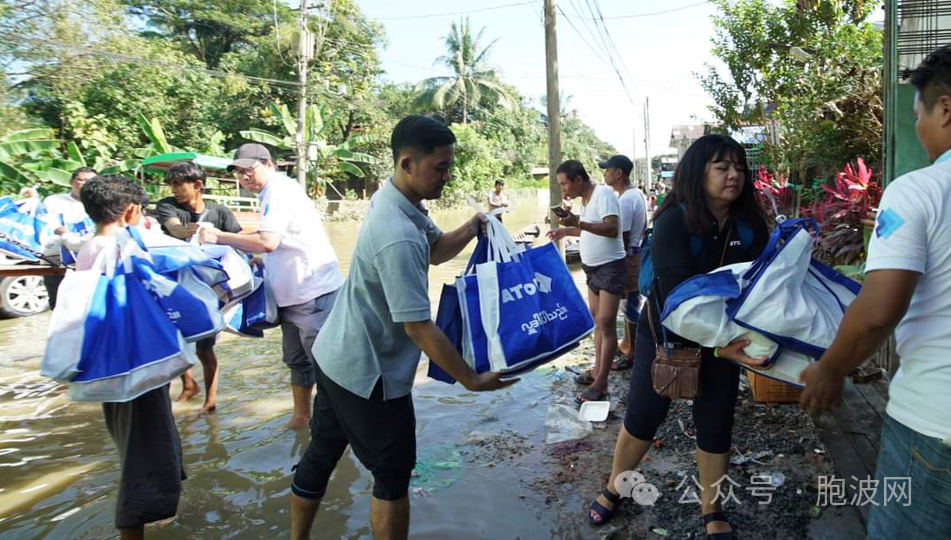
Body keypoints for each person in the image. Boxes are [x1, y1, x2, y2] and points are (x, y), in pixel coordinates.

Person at [288, 115, 517, 540]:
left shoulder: (395, 200)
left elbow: (435, 251)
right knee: (393, 477)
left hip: (334, 354)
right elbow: (418, 328)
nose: (446, 177)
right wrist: (471, 379)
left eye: (449, 166)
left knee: (320, 455)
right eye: (440, 168)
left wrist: (472, 226)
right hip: (367, 372)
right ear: (408, 163)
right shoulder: (397, 233)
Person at [799, 45, 951, 539]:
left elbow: (879, 308)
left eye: (917, 116)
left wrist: (829, 369)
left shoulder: (919, 189)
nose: (918, 130)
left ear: (945, 109)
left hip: (935, 426)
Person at [584, 135, 769, 539]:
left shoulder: (750, 224)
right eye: (722, 167)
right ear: (698, 173)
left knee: (716, 422)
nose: (734, 175)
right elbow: (671, 295)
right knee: (645, 415)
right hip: (666, 332)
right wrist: (718, 342)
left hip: (726, 339)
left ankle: (711, 509)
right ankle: (616, 486)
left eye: (739, 166)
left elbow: (762, 283)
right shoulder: (673, 220)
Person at [199, 143, 342, 430]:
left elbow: (268, 241)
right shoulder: (269, 193)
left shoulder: (279, 190)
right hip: (291, 296)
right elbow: (277, 242)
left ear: (269, 164)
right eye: (239, 173)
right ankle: (302, 418)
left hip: (313, 291)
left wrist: (220, 237)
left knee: (327, 365)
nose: (244, 178)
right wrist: (258, 260)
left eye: (248, 170)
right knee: (297, 361)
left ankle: (338, 423)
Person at [77, 175, 185, 540]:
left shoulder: (89, 247)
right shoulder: (120, 250)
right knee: (142, 456)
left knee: (146, 444)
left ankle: (161, 514)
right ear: (131, 211)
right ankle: (133, 529)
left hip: (113, 368)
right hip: (135, 369)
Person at [155, 161, 243, 416]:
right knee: (175, 339)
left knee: (205, 347)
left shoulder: (220, 212)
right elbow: (173, 227)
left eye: (178, 184)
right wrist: (190, 231)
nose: (173, 189)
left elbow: (237, 243)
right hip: (174, 286)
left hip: (208, 289)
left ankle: (210, 400)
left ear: (198, 186)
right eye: (171, 184)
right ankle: (189, 384)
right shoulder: (168, 206)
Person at [547, 160, 627, 403]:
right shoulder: (587, 199)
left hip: (610, 267)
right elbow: (591, 229)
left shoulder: (602, 193)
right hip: (592, 269)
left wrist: (577, 222)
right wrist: (566, 231)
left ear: (578, 179)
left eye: (564, 184)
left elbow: (611, 228)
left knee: (606, 323)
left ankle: (602, 382)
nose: (563, 190)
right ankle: (596, 370)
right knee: (597, 322)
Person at [600, 155, 648, 370]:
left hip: (629, 255)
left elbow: (624, 234)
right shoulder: (635, 194)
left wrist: (617, 260)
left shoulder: (626, 200)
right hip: (636, 252)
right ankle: (630, 347)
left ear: (619, 173)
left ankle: (633, 354)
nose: (604, 174)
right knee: (632, 302)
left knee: (630, 305)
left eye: (607, 170)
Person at [42, 166, 96, 307]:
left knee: (87, 304)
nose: (85, 184)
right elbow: (47, 224)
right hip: (56, 258)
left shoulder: (101, 203)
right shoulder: (54, 201)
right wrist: (62, 232)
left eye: (91, 181)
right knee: (58, 302)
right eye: (81, 180)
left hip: (89, 261)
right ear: (72, 181)